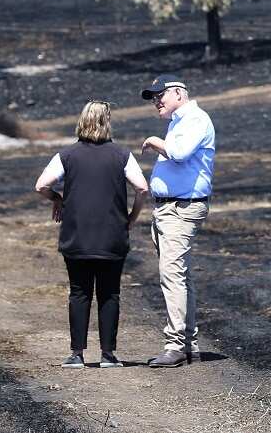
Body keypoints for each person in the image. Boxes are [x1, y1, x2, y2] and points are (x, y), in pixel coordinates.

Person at [35, 100, 149, 368]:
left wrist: (57, 198)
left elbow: (40, 185)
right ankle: (108, 355)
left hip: (77, 236)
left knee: (79, 292)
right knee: (109, 293)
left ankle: (76, 354)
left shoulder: (67, 155)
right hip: (112, 235)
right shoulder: (122, 155)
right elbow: (142, 188)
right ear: (107, 121)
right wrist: (131, 217)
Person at [139, 74, 215, 368]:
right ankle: (189, 344)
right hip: (169, 209)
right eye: (153, 97)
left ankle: (175, 345)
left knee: (171, 275)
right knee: (180, 277)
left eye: (161, 95)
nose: (156, 101)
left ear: (179, 93)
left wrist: (155, 141)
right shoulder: (179, 122)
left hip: (181, 209)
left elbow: (179, 153)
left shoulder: (195, 119)